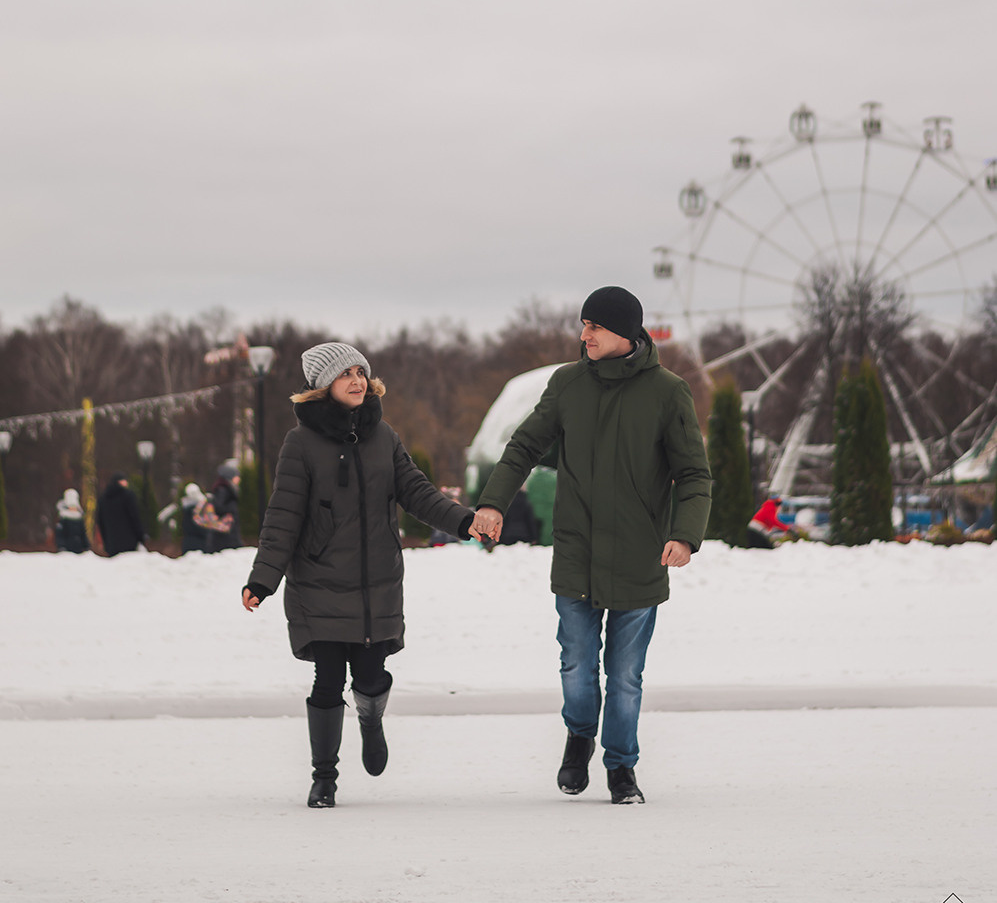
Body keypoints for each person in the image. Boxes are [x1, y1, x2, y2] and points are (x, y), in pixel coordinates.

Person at [474, 286, 712, 805]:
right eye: (583, 325)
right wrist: (492, 502)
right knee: (577, 666)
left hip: (639, 558)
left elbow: (694, 474)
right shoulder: (567, 384)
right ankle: (579, 734)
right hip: (577, 555)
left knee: (625, 677)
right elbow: (523, 446)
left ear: (624, 331)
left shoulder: (669, 392)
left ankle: (621, 769)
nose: (584, 335)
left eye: (594, 326)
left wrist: (684, 535)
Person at [242, 341, 486, 808]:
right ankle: (324, 777)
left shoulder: (383, 436)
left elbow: (417, 492)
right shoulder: (301, 444)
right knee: (328, 680)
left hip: (377, 585)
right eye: (344, 374)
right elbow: (283, 517)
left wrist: (462, 520)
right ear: (322, 386)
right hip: (319, 583)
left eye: (360, 371)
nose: (356, 380)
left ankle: (371, 720)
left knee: (372, 677)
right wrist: (262, 579)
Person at [96, 474, 146, 556]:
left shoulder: (103, 499)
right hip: (129, 542)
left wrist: (105, 542)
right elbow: (134, 517)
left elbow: (100, 522)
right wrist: (140, 536)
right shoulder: (128, 496)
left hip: (111, 543)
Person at [204, 462, 242, 552]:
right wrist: (231, 508)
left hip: (226, 534)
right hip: (224, 536)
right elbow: (218, 507)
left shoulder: (226, 488)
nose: (238, 479)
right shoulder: (223, 489)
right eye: (236, 476)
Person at [54, 488, 90, 553]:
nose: (73, 508)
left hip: (78, 549)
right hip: (67, 550)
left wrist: (86, 546)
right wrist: (62, 546)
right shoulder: (63, 518)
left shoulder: (79, 519)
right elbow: (60, 535)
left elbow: (83, 534)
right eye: (71, 506)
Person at [179, 483, 210, 553]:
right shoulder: (197, 510)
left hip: (188, 543)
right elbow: (201, 528)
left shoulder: (186, 509)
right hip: (199, 543)